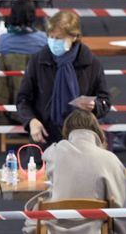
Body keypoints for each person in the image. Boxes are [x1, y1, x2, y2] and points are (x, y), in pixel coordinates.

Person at [24, 110, 126, 234]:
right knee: (108, 223)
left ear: (68, 130)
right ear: (96, 130)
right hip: (94, 233)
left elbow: (46, 160)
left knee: (39, 219)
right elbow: (123, 200)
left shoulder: (56, 151)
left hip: (59, 231)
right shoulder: (110, 159)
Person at [17, 11, 111, 145]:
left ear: (74, 36)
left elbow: (105, 101)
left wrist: (95, 106)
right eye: (50, 36)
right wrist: (31, 121)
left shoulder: (92, 63)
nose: (53, 42)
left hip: (81, 140)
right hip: (44, 138)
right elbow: (22, 99)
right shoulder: (37, 60)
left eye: (59, 38)